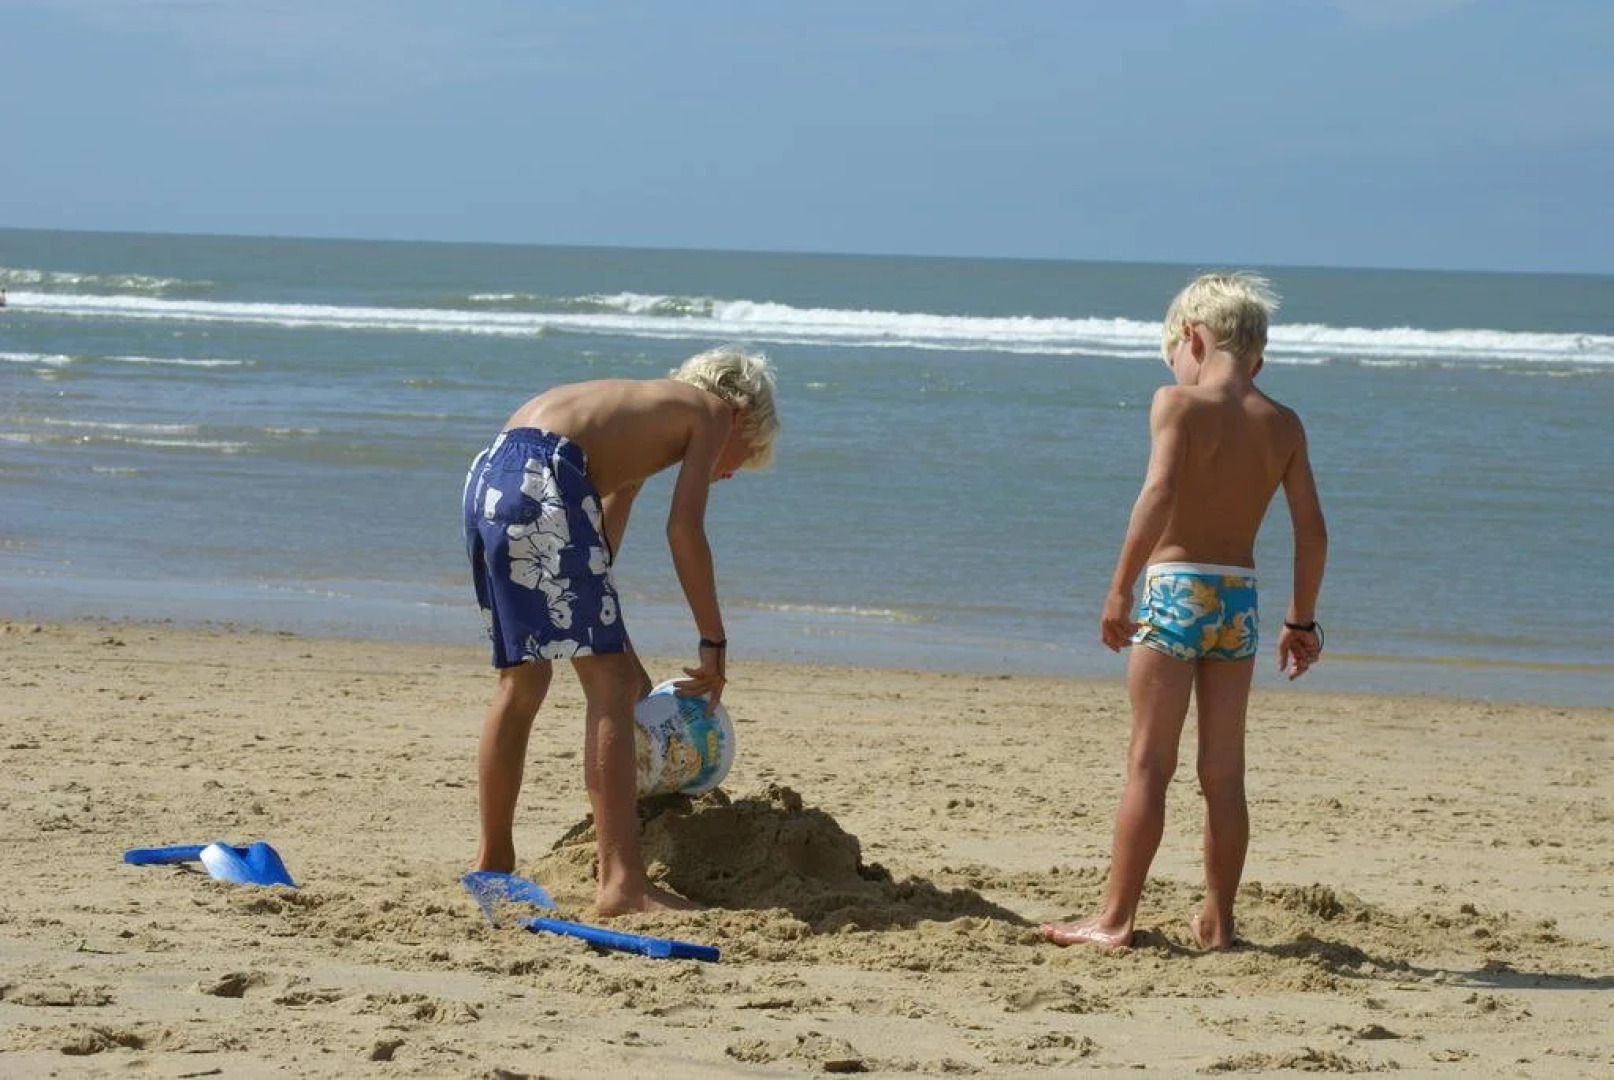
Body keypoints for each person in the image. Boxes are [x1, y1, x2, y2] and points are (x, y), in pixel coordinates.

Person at [1042, 272, 1327, 951]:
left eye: (1174, 352)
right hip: (1240, 600)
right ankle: (1219, 923)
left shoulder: (1177, 403)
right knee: (1223, 773)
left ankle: (1114, 920)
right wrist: (1301, 620)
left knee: (1149, 762)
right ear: (1257, 356)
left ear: (1192, 340)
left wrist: (1119, 587)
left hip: (1174, 590)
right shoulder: (1283, 423)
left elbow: (1159, 492)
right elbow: (1312, 529)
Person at [462, 345, 779, 915]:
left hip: (492, 475)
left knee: (523, 683)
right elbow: (684, 530)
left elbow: (597, 551)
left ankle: (493, 863)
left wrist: (614, 642)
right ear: (741, 414)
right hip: (547, 479)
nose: (728, 473)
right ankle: (622, 884)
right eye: (743, 457)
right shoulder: (710, 412)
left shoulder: (636, 416)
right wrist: (713, 645)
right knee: (608, 689)